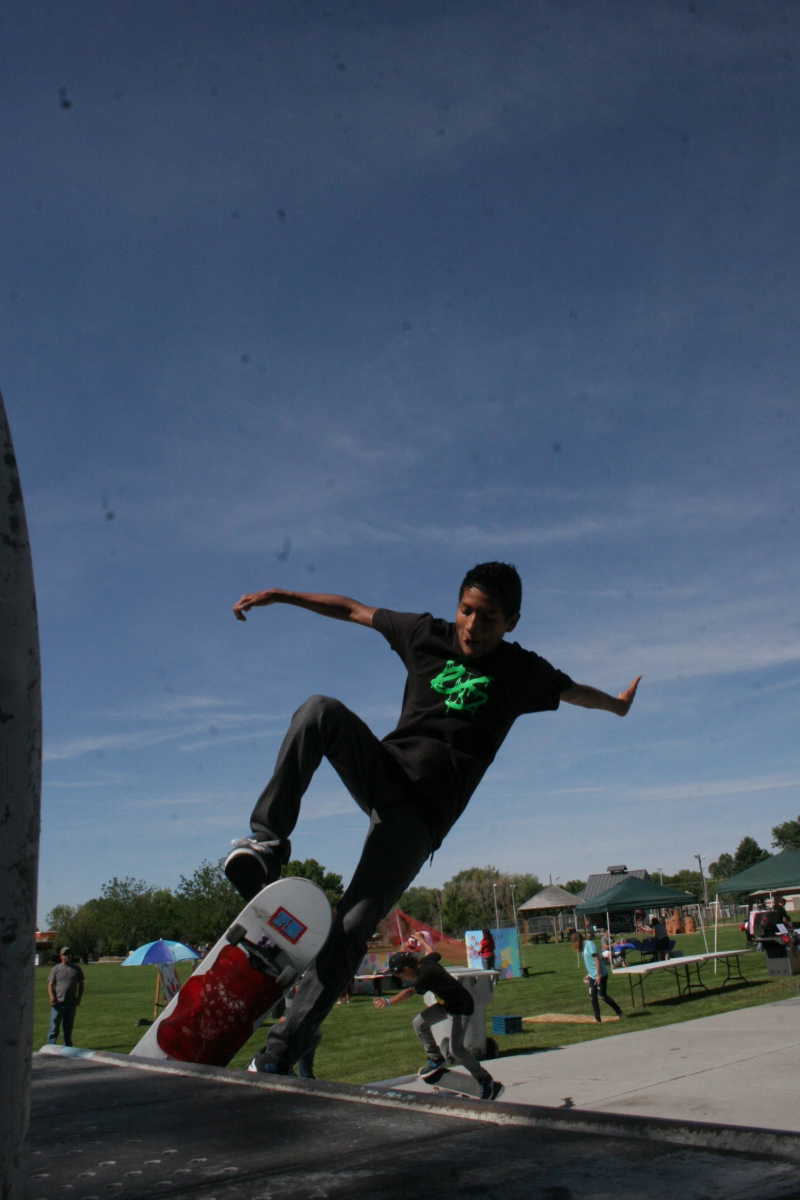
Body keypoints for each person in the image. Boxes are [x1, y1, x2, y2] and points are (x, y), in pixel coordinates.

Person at [224, 561, 641, 1075]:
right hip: (384, 773)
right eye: (466, 610)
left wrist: (617, 707)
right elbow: (352, 610)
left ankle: (279, 1055)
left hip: (420, 821)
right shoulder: (425, 634)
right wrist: (282, 595)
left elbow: (574, 691)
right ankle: (267, 844)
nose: (472, 626)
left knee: (352, 925)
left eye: (487, 618)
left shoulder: (522, 671)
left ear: (511, 622)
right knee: (319, 711)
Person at [373, 949, 503, 1101]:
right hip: (447, 1005)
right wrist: (421, 941)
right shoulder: (426, 962)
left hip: (461, 1007)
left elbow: (409, 992)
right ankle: (435, 1058)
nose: (401, 977)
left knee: (457, 1050)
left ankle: (485, 1080)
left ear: (407, 968)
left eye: (400, 974)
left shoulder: (424, 976)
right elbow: (435, 954)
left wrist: (388, 1001)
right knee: (419, 1023)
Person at [571, 931, 623, 1023]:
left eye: (574, 942)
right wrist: (588, 974)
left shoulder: (589, 944)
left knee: (602, 996)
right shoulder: (582, 947)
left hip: (601, 974)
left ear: (578, 940)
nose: (574, 945)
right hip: (592, 976)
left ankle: (619, 1012)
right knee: (592, 996)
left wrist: (598, 975)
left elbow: (597, 959)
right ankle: (597, 1018)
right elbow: (589, 962)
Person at [47, 947, 85, 1046]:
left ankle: (68, 1047)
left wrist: (79, 998)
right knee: (54, 1028)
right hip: (57, 1003)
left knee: (68, 1028)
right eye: (65, 954)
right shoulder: (55, 969)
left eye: (69, 954)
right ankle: (51, 1047)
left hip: (71, 1003)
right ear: (61, 956)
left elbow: (81, 984)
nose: (67, 956)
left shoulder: (77, 969)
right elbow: (50, 984)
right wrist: (52, 997)